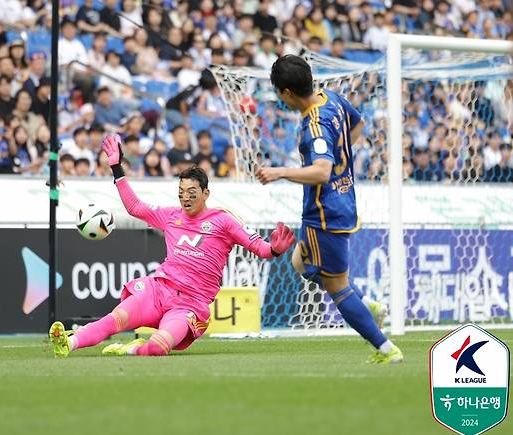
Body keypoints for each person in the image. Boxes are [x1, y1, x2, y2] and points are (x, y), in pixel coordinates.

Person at [48, 134, 296, 357]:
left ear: (206, 193)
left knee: (157, 347)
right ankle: (68, 343)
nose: (185, 197)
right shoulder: (171, 215)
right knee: (116, 318)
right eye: (181, 192)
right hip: (158, 290)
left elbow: (260, 248)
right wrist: (116, 167)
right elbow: (136, 208)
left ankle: (132, 349)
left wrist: (274, 248)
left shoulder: (223, 220)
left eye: (191, 192)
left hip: (190, 304)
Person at [256, 55, 402, 364]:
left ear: (286, 93)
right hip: (341, 202)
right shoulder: (331, 98)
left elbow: (321, 171)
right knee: (299, 261)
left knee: (337, 289)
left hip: (325, 212)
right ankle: (367, 306)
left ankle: (386, 348)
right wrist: (340, 162)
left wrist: (279, 171)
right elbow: (358, 124)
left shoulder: (315, 124)